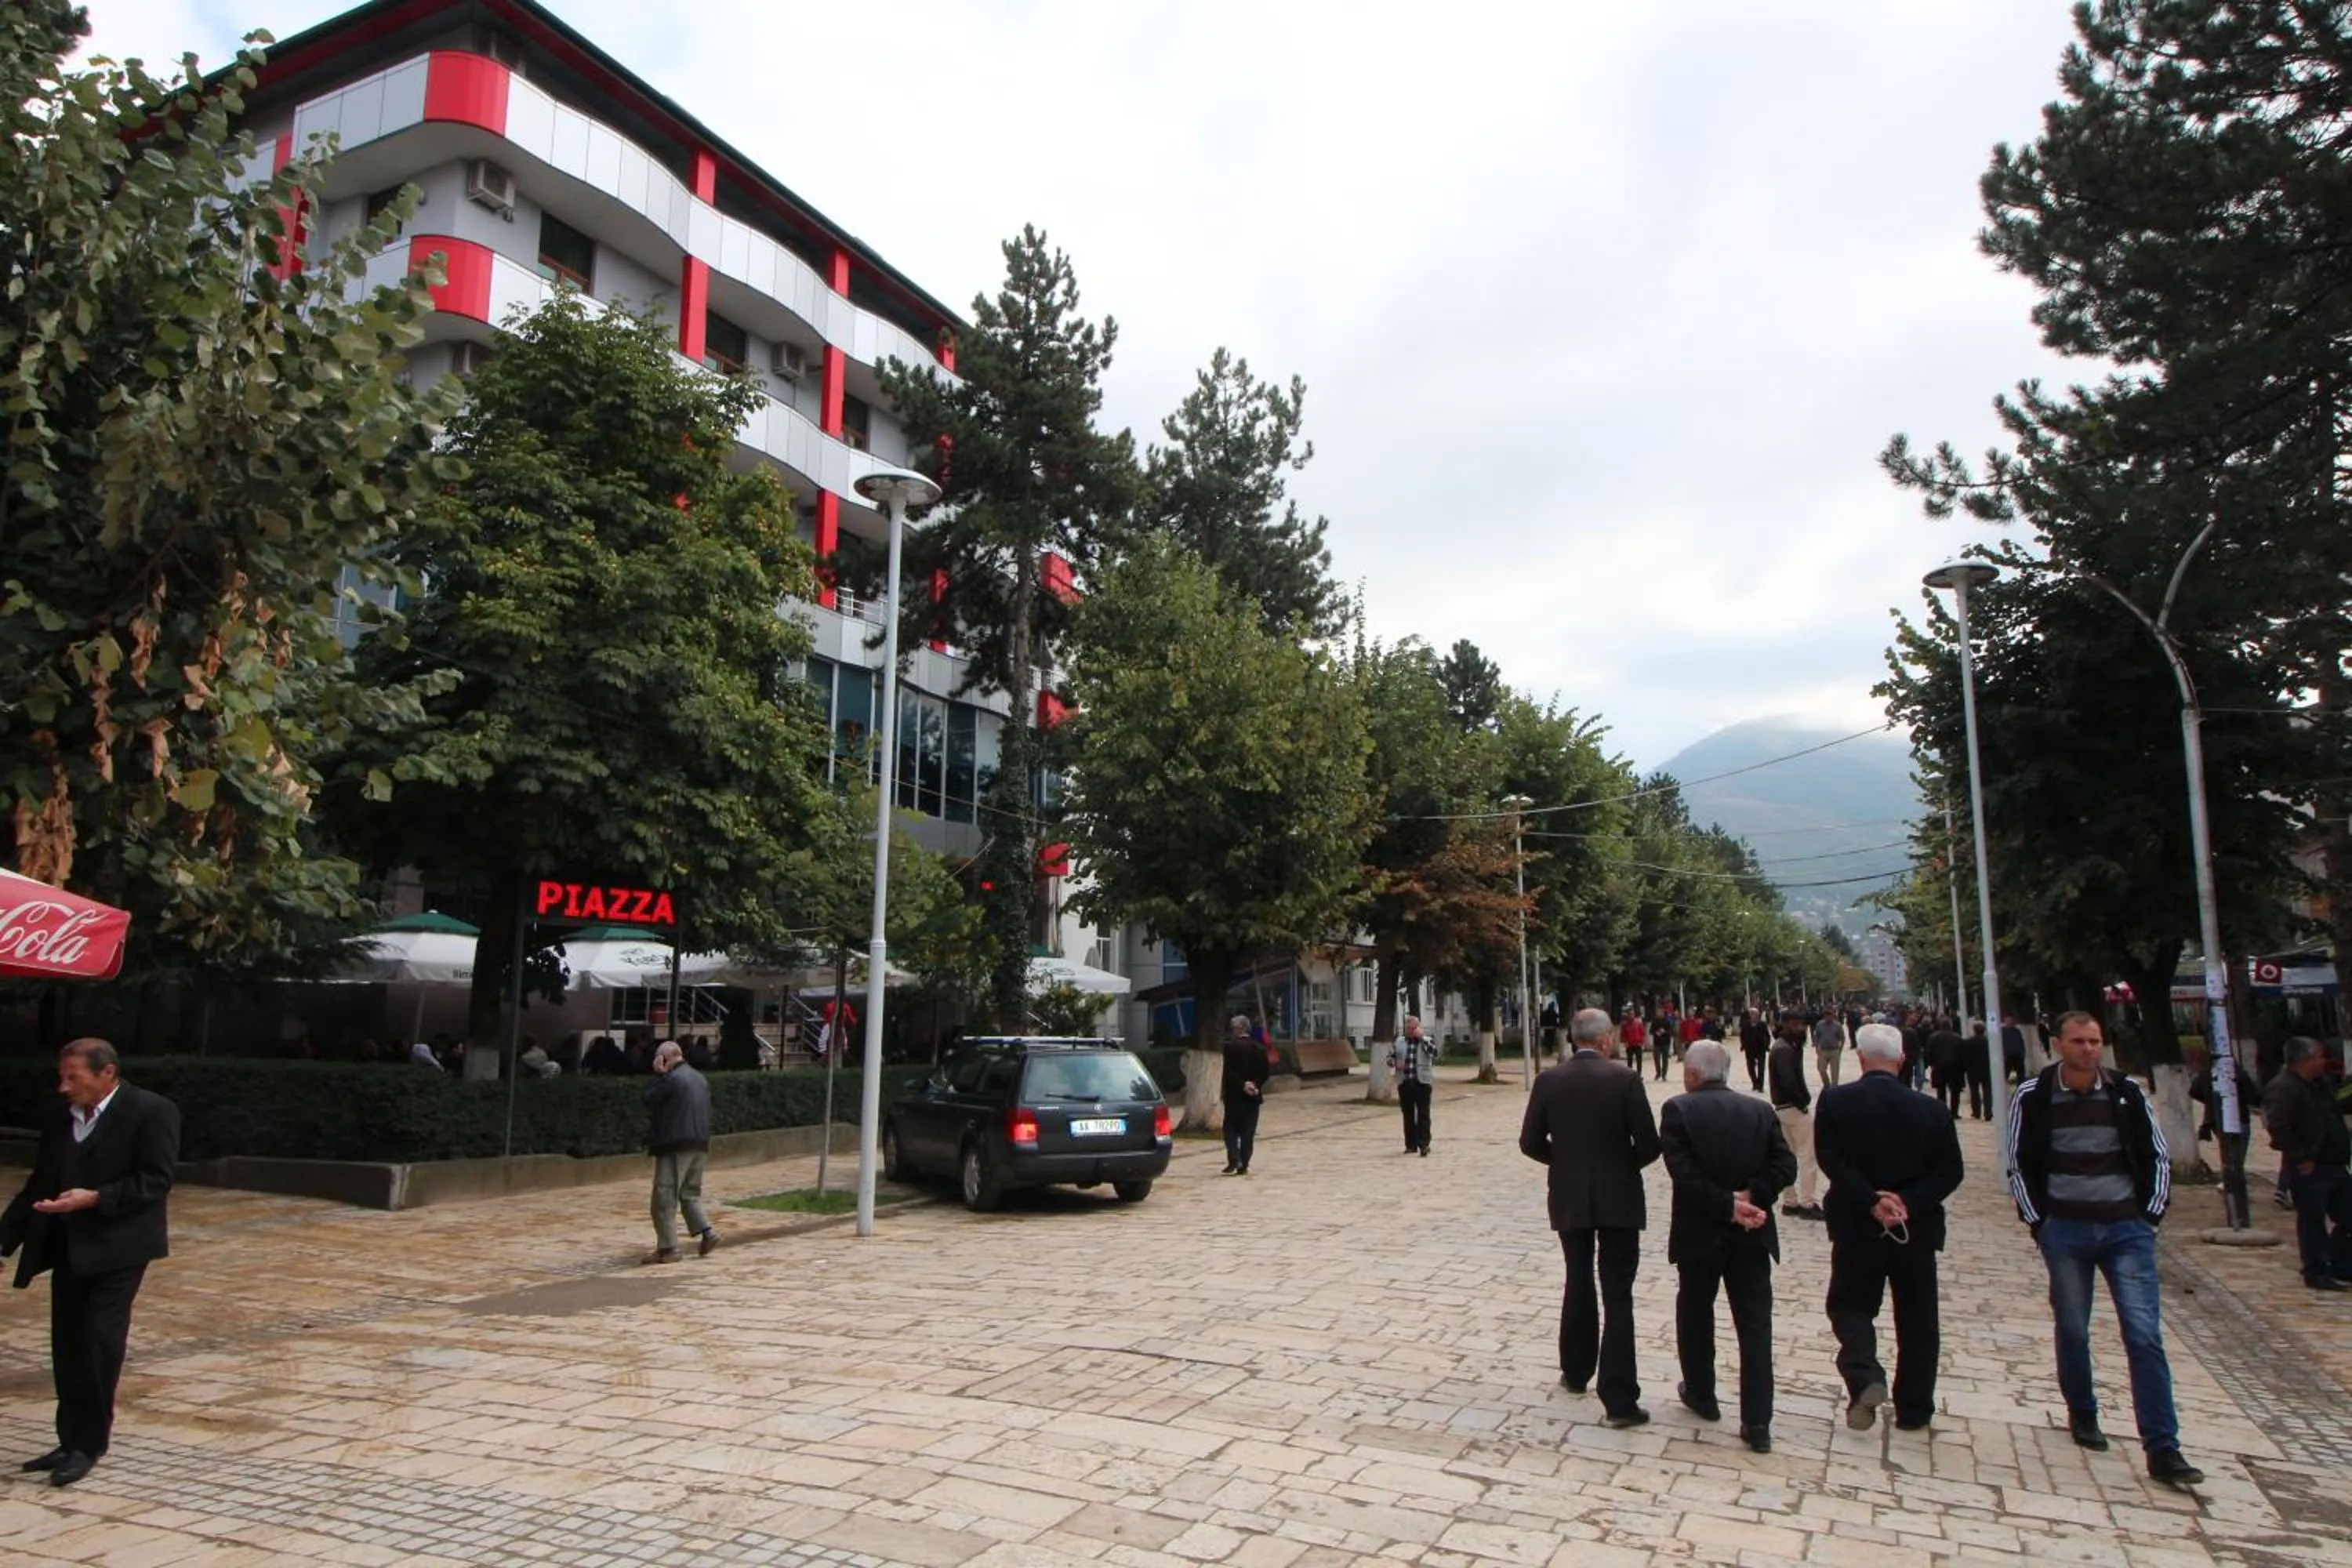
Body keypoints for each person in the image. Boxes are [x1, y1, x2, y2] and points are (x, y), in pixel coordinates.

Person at [2009, 1011, 2205, 1488]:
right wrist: (2039, 1221)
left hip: (2125, 1231)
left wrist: (2149, 1216)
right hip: (2066, 1231)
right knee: (2074, 1327)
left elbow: (2157, 1153)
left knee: (2143, 1335)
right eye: (2078, 1041)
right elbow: (2018, 1161)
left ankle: (2162, 1445)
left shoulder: (2126, 1092)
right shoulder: (2034, 1096)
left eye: (2095, 1041)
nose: (2088, 1049)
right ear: (2057, 1044)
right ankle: (2083, 1411)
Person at [0, 1040, 180, 1488]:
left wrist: (96, 1198)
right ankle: (69, 1439)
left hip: (120, 1249)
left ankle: (89, 1445)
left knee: (98, 1342)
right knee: (67, 1344)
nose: (64, 1087)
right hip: (68, 1249)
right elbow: (37, 1186)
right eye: (61, 1077)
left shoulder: (152, 1111)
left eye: (73, 1078)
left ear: (108, 1073)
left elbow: (156, 1180)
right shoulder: (61, 1119)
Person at [1813, 1022, 1963, 1433]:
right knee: (1918, 1319)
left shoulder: (1836, 1102)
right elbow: (1951, 1170)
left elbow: (1831, 1159)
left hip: (1856, 1223)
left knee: (1850, 1306)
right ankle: (1915, 1408)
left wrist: (1871, 1200)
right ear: (1902, 1061)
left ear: (1861, 1059)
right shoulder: (1931, 1109)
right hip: (1914, 1228)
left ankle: (1865, 1375)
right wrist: (1907, 1202)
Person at [1519, 1007, 1661, 1428]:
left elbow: (1529, 1142)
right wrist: (1623, 1165)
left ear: (1572, 1038)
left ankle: (1576, 1371)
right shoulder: (1625, 1080)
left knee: (1577, 1278)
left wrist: (1562, 1162)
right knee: (1618, 1293)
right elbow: (1650, 1144)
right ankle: (1619, 1398)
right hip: (1619, 1197)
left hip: (1569, 1195)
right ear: (1604, 1041)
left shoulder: (1549, 1081)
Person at [1661, 1041, 1796, 1454]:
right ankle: (1758, 1420)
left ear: (1692, 1074)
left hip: (1701, 1232)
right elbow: (1785, 1166)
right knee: (1755, 1326)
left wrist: (1726, 1205)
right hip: (1751, 1233)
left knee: (1696, 1314)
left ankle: (1702, 1393)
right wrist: (1751, 1197)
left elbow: (1683, 1173)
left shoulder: (1679, 1110)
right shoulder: (1759, 1111)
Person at [2263, 1036, 2352, 1293]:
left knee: (2348, 1214)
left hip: (2335, 1164)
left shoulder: (2319, 1085)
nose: (2324, 1062)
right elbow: (2279, 1126)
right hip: (2311, 1167)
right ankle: (2316, 1270)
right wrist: (2300, 1158)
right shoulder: (2284, 1087)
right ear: (2306, 1059)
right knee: (2313, 1221)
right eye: (2320, 1057)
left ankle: (2341, 1264)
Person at [642, 1040, 717, 1264]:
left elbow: (648, 1099)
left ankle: (669, 1248)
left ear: (663, 1059)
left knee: (664, 1196)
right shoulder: (699, 1078)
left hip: (675, 1143)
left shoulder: (671, 1079)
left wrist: (659, 1074)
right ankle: (707, 1232)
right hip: (700, 1143)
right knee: (690, 1193)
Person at [1768, 1017, 1823, 1221]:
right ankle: (1807, 1202)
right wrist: (1803, 1102)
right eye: (1800, 1024)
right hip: (1792, 1108)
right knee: (1807, 1155)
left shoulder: (1784, 1047)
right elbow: (1789, 1081)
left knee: (1788, 1155)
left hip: (1783, 1108)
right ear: (1790, 1024)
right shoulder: (1784, 1050)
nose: (1803, 1029)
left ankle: (1790, 1201)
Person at [1221, 1014, 1269, 1176]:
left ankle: (1234, 1157)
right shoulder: (1260, 1048)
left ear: (1236, 1029)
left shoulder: (1229, 1048)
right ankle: (1244, 1163)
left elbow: (1227, 1072)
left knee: (1230, 1128)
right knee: (1248, 1132)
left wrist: (1242, 1085)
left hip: (1234, 1096)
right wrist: (1255, 1084)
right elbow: (1265, 1072)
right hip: (1253, 1097)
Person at [1388, 1016, 1439, 1156]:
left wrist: (1422, 1038)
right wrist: (1393, 1063)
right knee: (1408, 1115)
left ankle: (1424, 1144)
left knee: (1423, 1114)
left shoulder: (1427, 1040)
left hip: (1422, 1083)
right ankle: (1410, 1145)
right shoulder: (1399, 1042)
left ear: (1418, 1028)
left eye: (1412, 1028)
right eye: (1407, 1028)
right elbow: (1390, 1057)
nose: (1410, 1031)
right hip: (1405, 1082)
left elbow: (1434, 1053)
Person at [1927, 1016, 1966, 1116]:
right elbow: (1962, 1053)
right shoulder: (1957, 1038)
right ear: (1951, 1026)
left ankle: (1942, 1111)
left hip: (1939, 1066)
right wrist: (1963, 1067)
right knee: (1955, 1091)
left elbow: (1929, 1052)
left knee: (1941, 1090)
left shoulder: (1933, 1037)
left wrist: (1931, 1064)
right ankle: (1954, 1112)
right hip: (1955, 1067)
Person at [1963, 1021, 1993, 1120]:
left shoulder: (1968, 1042)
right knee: (1987, 1091)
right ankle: (1988, 1112)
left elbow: (1965, 1057)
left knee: (1974, 1092)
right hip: (1986, 1070)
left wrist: (1965, 1068)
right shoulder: (1989, 1042)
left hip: (1972, 1071)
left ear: (1974, 1030)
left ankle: (1976, 1112)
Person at [1738, 1007, 1770, 1094]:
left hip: (1761, 1048)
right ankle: (1755, 1082)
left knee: (1761, 1068)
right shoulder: (1745, 1024)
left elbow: (1767, 1036)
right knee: (1751, 1067)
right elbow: (1742, 1036)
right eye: (1751, 1013)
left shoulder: (1762, 1024)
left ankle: (1761, 1086)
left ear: (1758, 1015)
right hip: (1749, 1048)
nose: (1753, 1015)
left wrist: (1767, 1045)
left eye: (1754, 1013)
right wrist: (1743, 1045)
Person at [1811, 1009, 1846, 1087]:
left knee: (1835, 1072)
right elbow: (1817, 1036)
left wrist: (1840, 1049)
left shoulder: (1837, 1025)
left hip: (1834, 1050)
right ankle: (1827, 1085)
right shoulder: (1819, 1025)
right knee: (1821, 1069)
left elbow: (1842, 1038)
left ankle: (1834, 1088)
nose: (1828, 1017)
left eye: (1830, 1015)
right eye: (1826, 1015)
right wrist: (1817, 1047)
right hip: (1823, 1050)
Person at [2001, 1014, 2028, 1085]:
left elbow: (2021, 1042)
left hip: (2018, 1055)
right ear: (2005, 1021)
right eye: (2008, 1020)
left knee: (2020, 1074)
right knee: (2005, 1073)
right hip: (2007, 1056)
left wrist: (2023, 1052)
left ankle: (2021, 1085)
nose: (2010, 1022)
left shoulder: (2017, 1031)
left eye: (2011, 1020)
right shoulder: (2002, 1031)